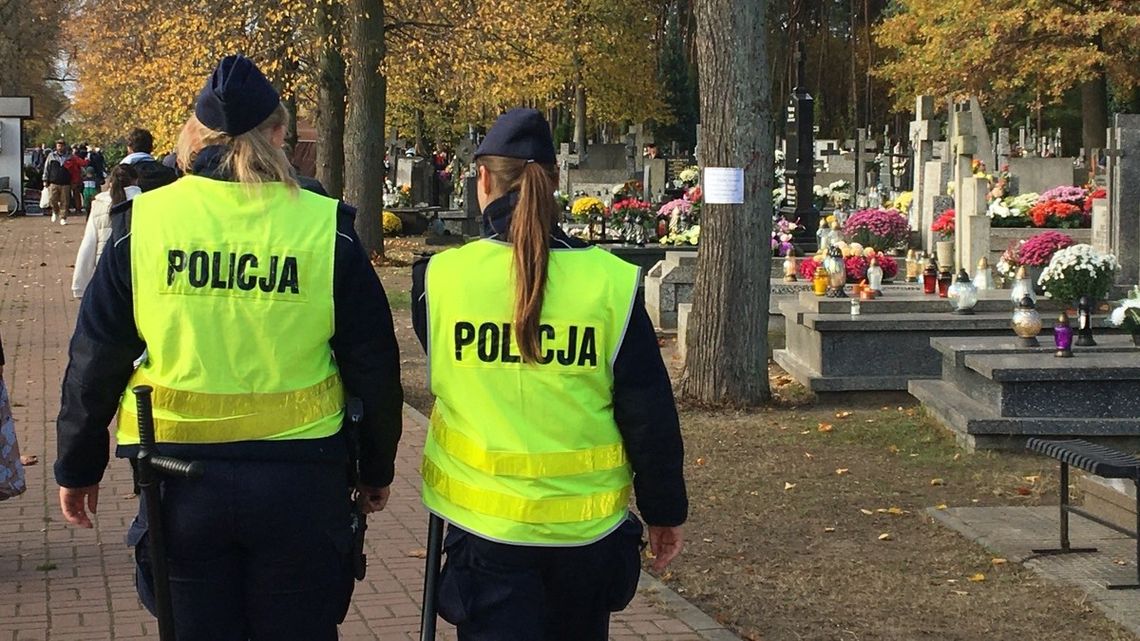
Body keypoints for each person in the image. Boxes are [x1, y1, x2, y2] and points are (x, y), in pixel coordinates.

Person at [55, 54, 404, 641]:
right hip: (301, 480)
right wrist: (376, 468)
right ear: (278, 135)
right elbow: (372, 363)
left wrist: (77, 465)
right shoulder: (326, 229)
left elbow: (95, 358)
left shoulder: (142, 224)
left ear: (195, 135)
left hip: (179, 485)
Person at [411, 108, 687, 641]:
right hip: (585, 539)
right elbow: (647, 413)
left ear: (483, 180)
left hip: (485, 532)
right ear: (555, 183)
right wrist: (664, 510)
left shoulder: (439, 279)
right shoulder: (609, 282)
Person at [72, 164, 140, 299]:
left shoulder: (99, 204)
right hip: (136, 271)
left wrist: (80, 285)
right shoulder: (145, 202)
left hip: (105, 270)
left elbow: (89, 244)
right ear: (136, 180)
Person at [42, 139, 81, 224]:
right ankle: (55, 211)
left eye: (62, 146)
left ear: (64, 146)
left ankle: (63, 217)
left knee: (65, 201)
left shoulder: (69, 157)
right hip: (53, 182)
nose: (60, 147)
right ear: (56, 146)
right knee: (52, 199)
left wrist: (75, 181)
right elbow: (46, 168)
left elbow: (74, 170)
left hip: (66, 182)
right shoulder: (51, 156)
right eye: (58, 146)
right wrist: (45, 179)